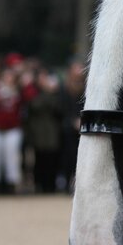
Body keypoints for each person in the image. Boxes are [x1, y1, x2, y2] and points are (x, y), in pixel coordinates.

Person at [0, 67, 36, 194]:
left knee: (12, 157)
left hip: (12, 129)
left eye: (11, 76)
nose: (8, 79)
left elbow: (31, 97)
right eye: (6, 76)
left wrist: (27, 83)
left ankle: (11, 185)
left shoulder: (19, 90)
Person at [27, 68, 62, 193]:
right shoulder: (32, 92)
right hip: (38, 132)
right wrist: (47, 93)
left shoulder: (56, 93)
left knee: (52, 160)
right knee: (39, 160)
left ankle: (51, 185)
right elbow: (35, 106)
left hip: (51, 132)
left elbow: (58, 109)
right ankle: (39, 185)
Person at [57, 59, 85, 193]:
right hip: (67, 128)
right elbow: (61, 109)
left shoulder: (86, 87)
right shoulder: (64, 88)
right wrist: (72, 120)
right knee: (68, 155)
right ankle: (65, 181)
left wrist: (81, 120)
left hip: (82, 127)